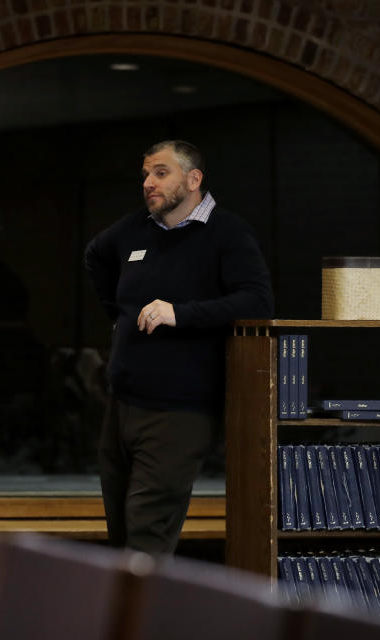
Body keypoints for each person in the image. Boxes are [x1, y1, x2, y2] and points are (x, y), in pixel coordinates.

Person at [84, 140, 274, 554]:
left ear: (193, 179)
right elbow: (96, 255)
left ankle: (143, 618)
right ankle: (122, 618)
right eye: (146, 175)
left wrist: (181, 314)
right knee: (119, 531)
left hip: (179, 409)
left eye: (161, 173)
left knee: (147, 534)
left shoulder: (227, 232)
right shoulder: (137, 227)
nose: (149, 183)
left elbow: (257, 301)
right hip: (122, 404)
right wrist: (119, 315)